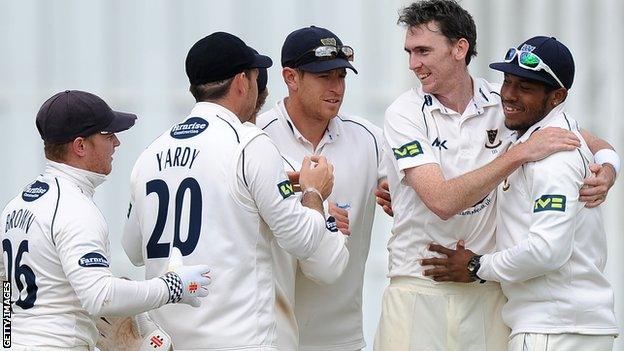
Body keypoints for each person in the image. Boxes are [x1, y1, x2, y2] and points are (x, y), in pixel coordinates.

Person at [373, 1, 619, 350]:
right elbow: (441, 201)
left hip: (487, 293)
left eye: (424, 51)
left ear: (460, 48)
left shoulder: (502, 99)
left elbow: (589, 141)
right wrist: (517, 154)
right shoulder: (404, 112)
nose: (414, 64)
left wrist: (608, 170)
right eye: (410, 52)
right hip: (418, 285)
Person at [121, 31, 346, 351]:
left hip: (170, 341)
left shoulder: (150, 154)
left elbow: (132, 250)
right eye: (256, 77)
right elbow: (305, 240)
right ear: (243, 82)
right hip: (239, 341)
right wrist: (314, 192)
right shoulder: (250, 145)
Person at [0, 90, 211, 351]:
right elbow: (100, 297)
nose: (117, 143)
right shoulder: (74, 208)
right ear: (80, 146)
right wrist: (172, 287)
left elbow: (5, 289)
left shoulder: (16, 205)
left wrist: (9, 338)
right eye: (108, 135)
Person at [256, 26, 384, 351]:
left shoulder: (370, 139)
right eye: (324, 76)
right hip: (269, 339)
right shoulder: (254, 138)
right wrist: (319, 216)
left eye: (341, 76)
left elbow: (411, 195)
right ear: (290, 77)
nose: (336, 87)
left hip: (344, 340)